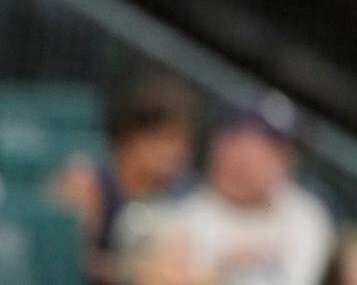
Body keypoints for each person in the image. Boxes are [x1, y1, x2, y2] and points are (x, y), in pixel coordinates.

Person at [164, 94, 335, 285]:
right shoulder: (182, 211)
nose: (256, 161)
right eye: (252, 145)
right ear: (223, 144)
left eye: (278, 151)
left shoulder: (305, 214)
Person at [53, 74, 198, 284]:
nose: (175, 153)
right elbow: (67, 258)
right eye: (166, 140)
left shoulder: (179, 191)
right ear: (131, 136)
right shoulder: (87, 181)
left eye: (182, 143)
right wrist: (129, 272)